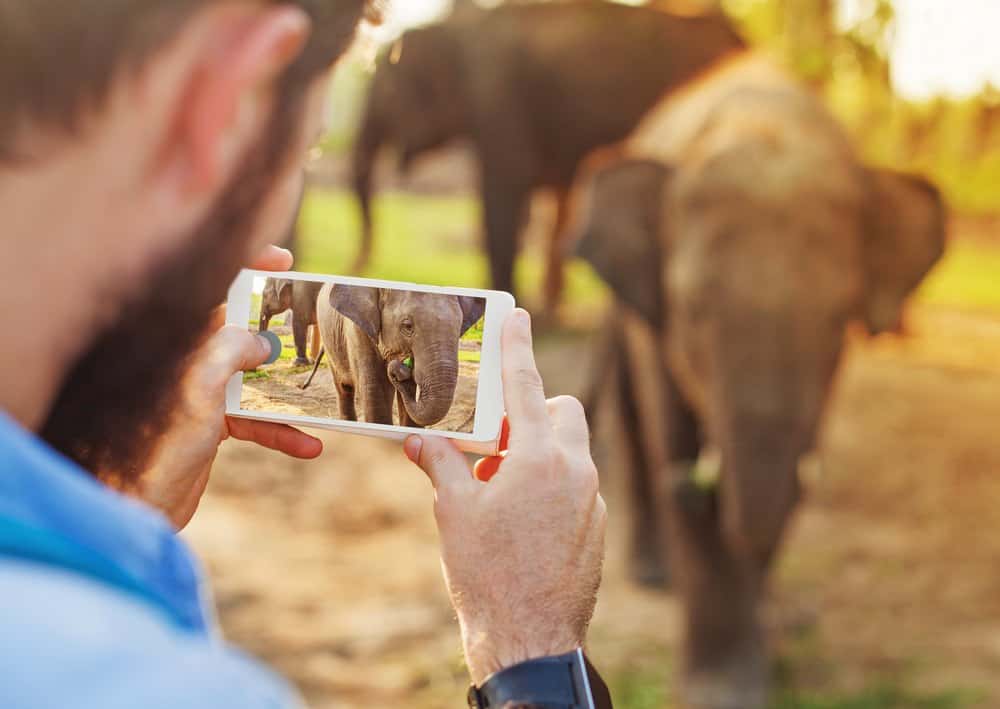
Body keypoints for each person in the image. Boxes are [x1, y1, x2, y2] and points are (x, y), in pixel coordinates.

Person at [0, 2, 609, 707]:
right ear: (223, 102)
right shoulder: (157, 687)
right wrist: (530, 647)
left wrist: (109, 523)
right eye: (309, 149)